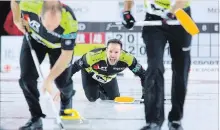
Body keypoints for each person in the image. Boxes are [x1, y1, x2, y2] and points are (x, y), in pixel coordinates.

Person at [122, 0, 191, 130]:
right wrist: (126, 12)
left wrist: (171, 13)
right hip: (153, 20)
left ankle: (175, 119)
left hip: (180, 17)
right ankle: (153, 121)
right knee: (154, 67)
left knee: (181, 69)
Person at [11, 0, 78, 129]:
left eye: (55, 26)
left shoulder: (70, 20)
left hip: (59, 47)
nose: (50, 30)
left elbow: (66, 55)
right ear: (39, 14)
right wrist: (16, 20)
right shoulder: (29, 2)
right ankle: (36, 118)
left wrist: (48, 80)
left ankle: (67, 98)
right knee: (26, 79)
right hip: (35, 39)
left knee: (61, 82)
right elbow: (14, 1)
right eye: (47, 26)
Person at [71, 39, 146, 102]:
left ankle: (102, 92)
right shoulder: (92, 56)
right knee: (92, 98)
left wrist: (146, 95)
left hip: (108, 77)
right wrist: (64, 87)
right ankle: (96, 90)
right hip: (90, 74)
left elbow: (144, 75)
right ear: (106, 50)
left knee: (114, 99)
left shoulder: (128, 59)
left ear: (121, 52)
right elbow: (74, 68)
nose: (113, 55)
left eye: (116, 52)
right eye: (110, 51)